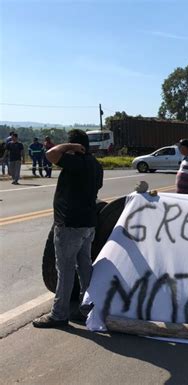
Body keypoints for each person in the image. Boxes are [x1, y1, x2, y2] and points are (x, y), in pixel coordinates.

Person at [33, 129, 103, 328]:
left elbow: (51, 154)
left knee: (65, 270)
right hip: (88, 224)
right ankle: (86, 308)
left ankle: (59, 315)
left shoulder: (76, 161)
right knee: (85, 267)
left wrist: (70, 147)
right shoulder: (96, 165)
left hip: (70, 225)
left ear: (76, 146)